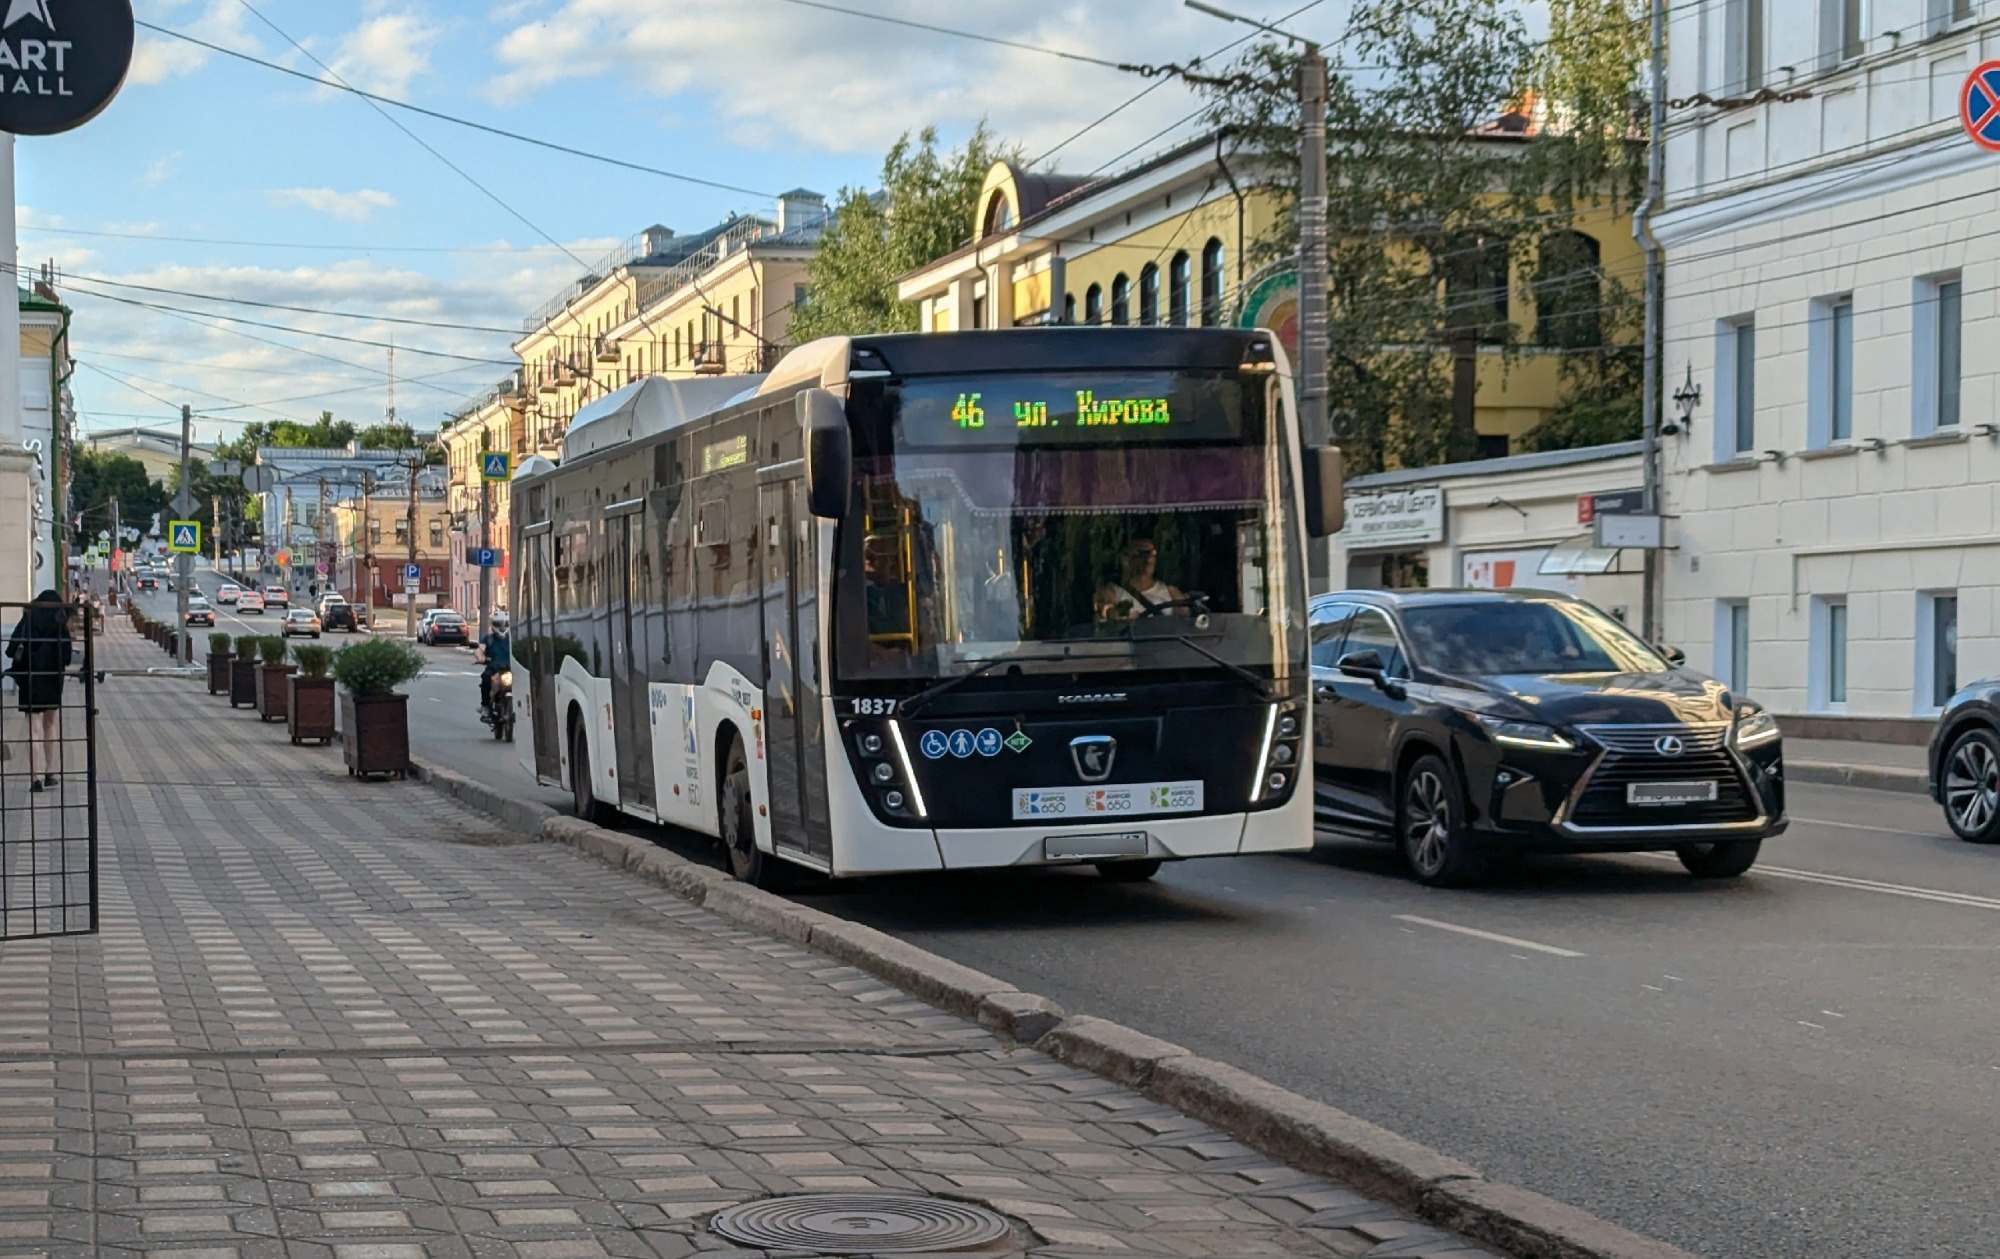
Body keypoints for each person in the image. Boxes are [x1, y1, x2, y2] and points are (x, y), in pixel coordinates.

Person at [6, 590, 74, 794]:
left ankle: (35, 780)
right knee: (50, 724)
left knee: (33, 728)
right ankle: (49, 773)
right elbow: (67, 656)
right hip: (52, 679)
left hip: (30, 678)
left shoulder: (29, 617)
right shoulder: (60, 622)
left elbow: (11, 648)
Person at [1096, 537, 1185, 621]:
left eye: (1153, 554)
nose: (1149, 559)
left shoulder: (1171, 592)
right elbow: (1105, 609)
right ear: (1126, 558)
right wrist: (1119, 615)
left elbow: (1186, 621)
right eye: (1142, 554)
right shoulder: (1112, 592)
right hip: (1132, 637)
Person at [474, 618, 511, 714]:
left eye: (504, 624)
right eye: (499, 624)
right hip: (494, 668)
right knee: (486, 677)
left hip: (511, 668)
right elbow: (480, 649)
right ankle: (485, 705)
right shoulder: (489, 639)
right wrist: (480, 657)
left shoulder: (512, 639)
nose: (502, 627)